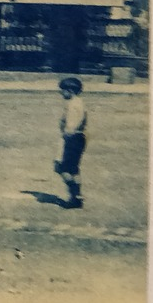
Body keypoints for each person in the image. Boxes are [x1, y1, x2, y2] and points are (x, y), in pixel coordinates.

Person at [54, 76, 87, 209]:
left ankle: (75, 197)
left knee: (61, 168)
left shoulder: (72, 105)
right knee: (74, 169)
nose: (61, 93)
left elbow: (70, 127)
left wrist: (65, 138)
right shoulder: (80, 102)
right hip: (79, 138)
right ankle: (77, 196)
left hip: (71, 138)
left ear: (70, 91)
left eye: (63, 90)